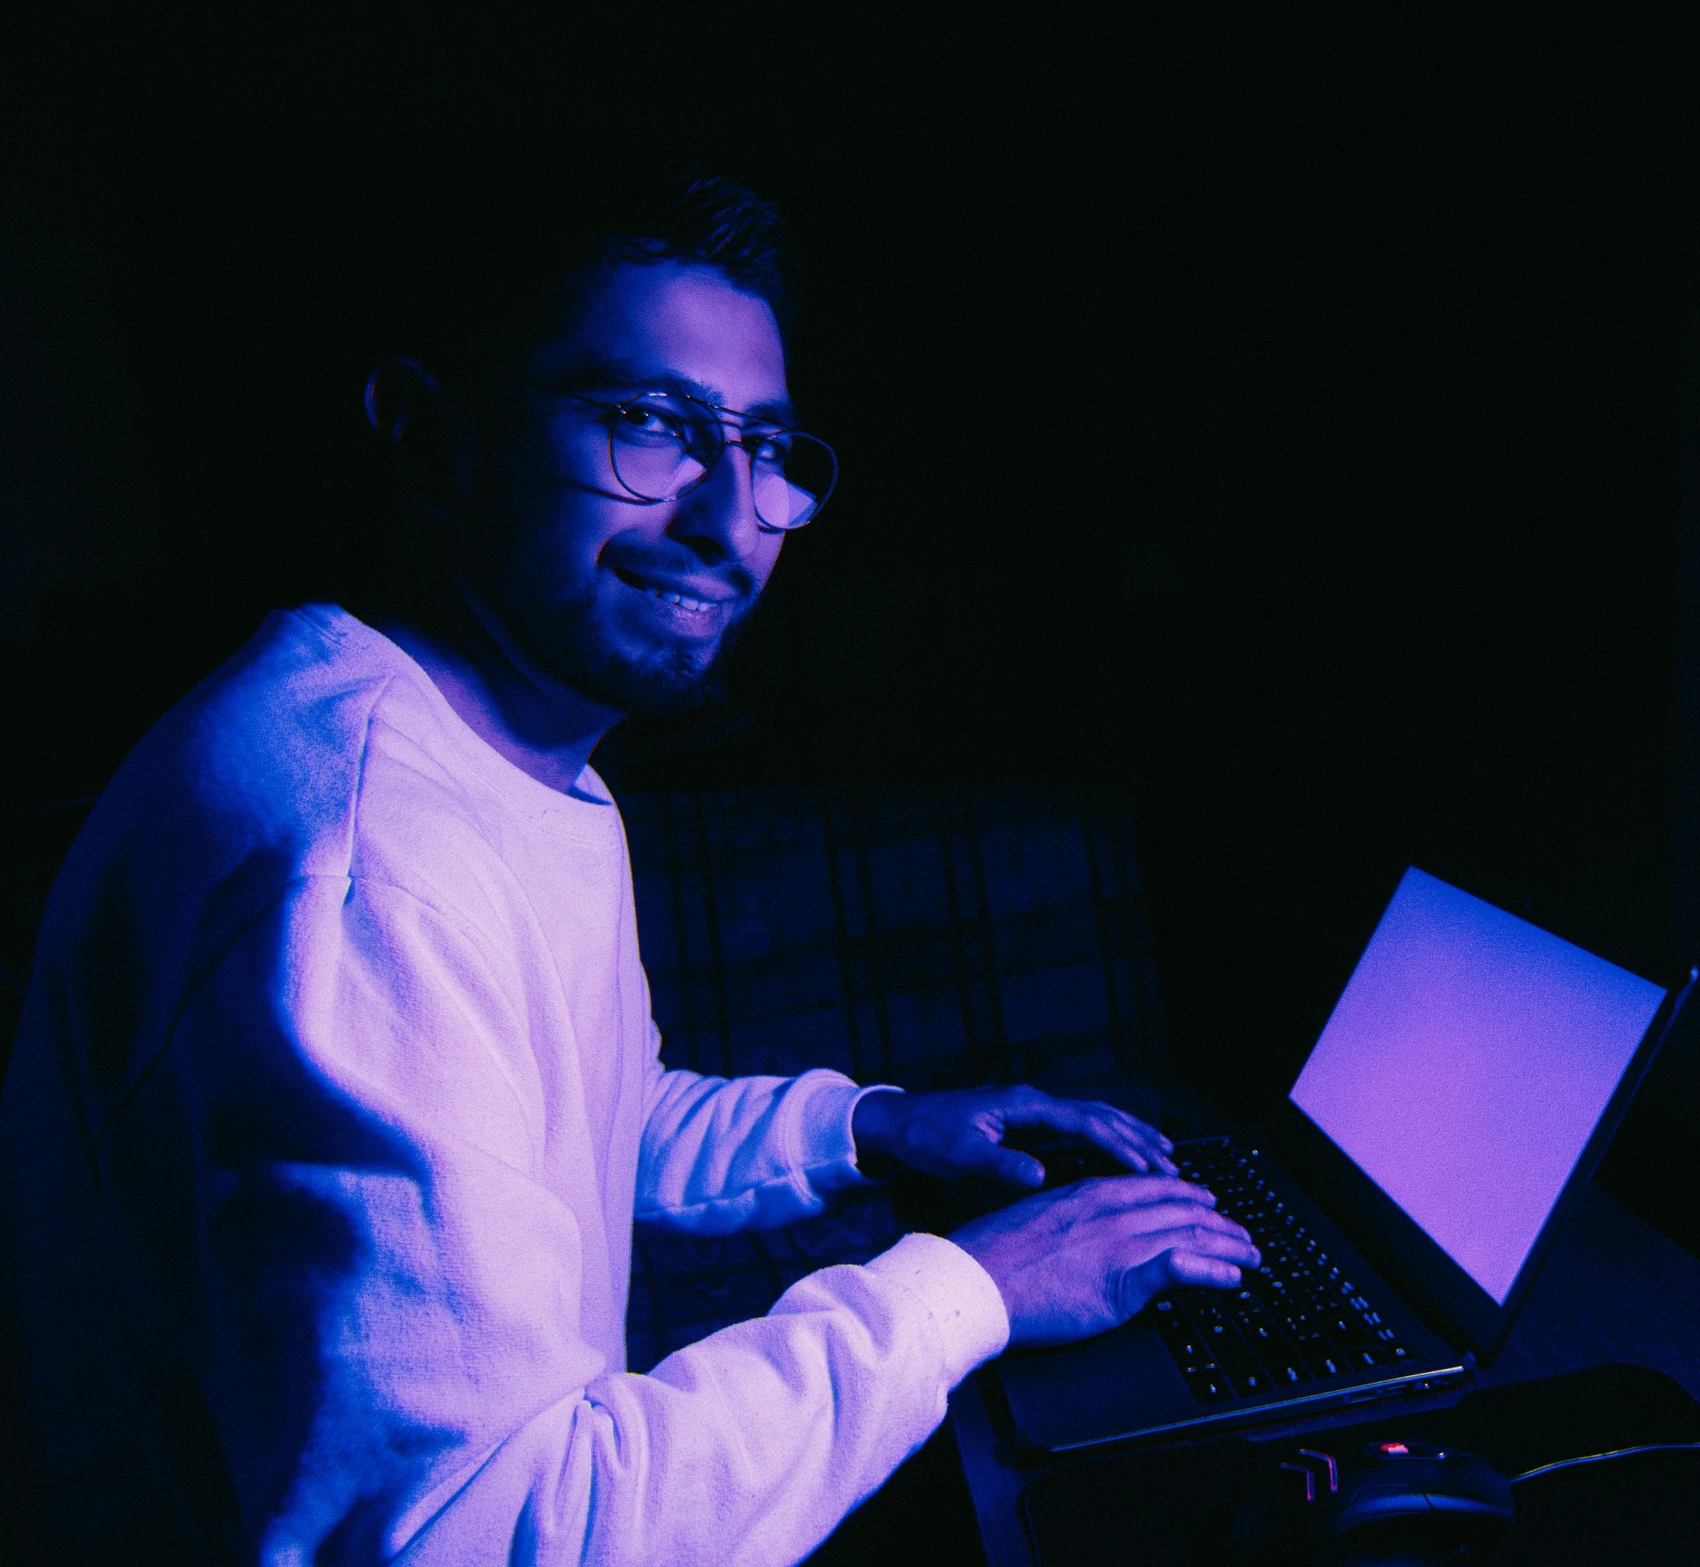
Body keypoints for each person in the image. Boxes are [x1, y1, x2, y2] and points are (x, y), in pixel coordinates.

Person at [0, 170, 1258, 1564]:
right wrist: (972, 1287)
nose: (731, 525)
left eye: (767, 446)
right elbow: (482, 1535)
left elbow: (574, 1122)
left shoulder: (510, 756)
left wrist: (875, 1121)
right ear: (431, 439)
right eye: (648, 424)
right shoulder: (367, 865)